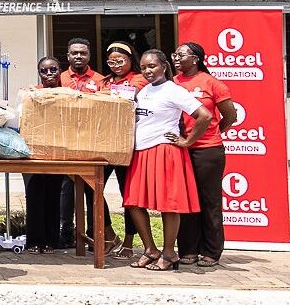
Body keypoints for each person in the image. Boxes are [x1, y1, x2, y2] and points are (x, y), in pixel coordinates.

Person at [124, 49, 212, 271]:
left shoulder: (174, 90)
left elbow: (205, 115)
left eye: (152, 66)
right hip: (141, 151)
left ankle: (169, 253)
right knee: (133, 203)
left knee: (169, 205)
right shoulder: (144, 91)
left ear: (164, 66)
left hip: (164, 151)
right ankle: (150, 249)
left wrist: (188, 140)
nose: (147, 71)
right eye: (143, 67)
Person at [174, 42, 237, 268]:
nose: (176, 58)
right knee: (186, 200)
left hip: (208, 150)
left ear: (196, 59)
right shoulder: (173, 83)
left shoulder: (212, 83)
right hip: (181, 149)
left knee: (209, 201)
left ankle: (211, 251)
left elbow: (230, 115)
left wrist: (212, 133)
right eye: (175, 55)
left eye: (181, 55)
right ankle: (188, 250)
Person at [96, 41, 148, 259]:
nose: (116, 66)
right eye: (111, 62)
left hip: (129, 144)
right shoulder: (104, 81)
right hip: (105, 143)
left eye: (120, 61)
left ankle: (128, 242)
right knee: (93, 188)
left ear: (130, 60)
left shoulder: (139, 78)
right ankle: (109, 235)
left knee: (128, 195)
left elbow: (127, 96)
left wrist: (103, 95)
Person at [59, 37, 103, 248]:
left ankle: (95, 236)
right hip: (65, 142)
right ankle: (66, 233)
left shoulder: (100, 80)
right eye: (74, 53)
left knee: (93, 190)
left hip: (93, 143)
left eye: (83, 53)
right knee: (66, 189)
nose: (78, 56)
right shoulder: (59, 78)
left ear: (89, 56)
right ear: (68, 55)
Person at [22, 56, 63, 254]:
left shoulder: (66, 94)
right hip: (33, 152)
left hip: (57, 152)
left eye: (53, 69)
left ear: (60, 71)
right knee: (34, 196)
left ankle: (51, 241)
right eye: (44, 70)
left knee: (54, 196)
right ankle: (34, 241)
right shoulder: (31, 94)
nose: (49, 74)